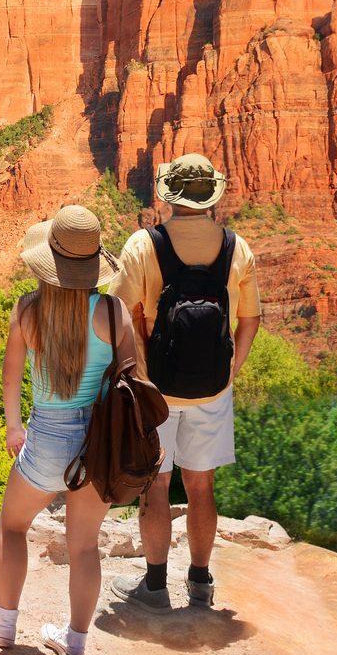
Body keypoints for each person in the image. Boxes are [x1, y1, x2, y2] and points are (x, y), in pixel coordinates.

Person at [0, 205, 139, 655]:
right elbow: (136, 380)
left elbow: (10, 378)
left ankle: (2, 626)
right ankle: (75, 642)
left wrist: (14, 426)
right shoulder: (113, 311)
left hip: (46, 437)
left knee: (13, 526)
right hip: (98, 443)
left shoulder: (27, 310)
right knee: (83, 547)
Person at [109, 154, 260, 612]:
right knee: (201, 487)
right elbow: (250, 322)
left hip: (154, 390)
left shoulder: (142, 244)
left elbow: (117, 313)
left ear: (169, 195)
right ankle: (200, 584)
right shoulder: (238, 247)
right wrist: (228, 373)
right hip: (212, 388)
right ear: (210, 196)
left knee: (156, 485)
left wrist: (133, 375)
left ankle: (154, 588)